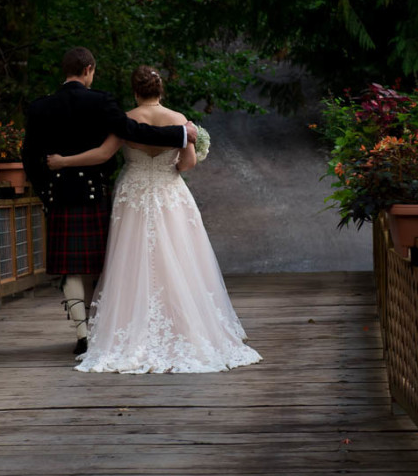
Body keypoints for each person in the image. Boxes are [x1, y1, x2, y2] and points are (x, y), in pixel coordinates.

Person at [47, 65, 262, 373]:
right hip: (169, 195)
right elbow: (186, 165)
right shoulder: (179, 121)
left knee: (131, 261)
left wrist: (63, 161)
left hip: (133, 196)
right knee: (178, 258)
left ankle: (127, 331)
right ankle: (184, 326)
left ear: (135, 92)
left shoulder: (126, 120)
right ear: (161, 91)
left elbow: (102, 154)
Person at [21, 47, 197, 355]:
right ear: (88, 69)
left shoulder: (39, 108)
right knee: (103, 263)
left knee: (72, 268)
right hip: (92, 192)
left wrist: (45, 190)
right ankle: (109, 325)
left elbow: (28, 157)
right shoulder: (101, 102)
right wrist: (181, 134)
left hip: (59, 193)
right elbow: (132, 131)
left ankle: (83, 333)